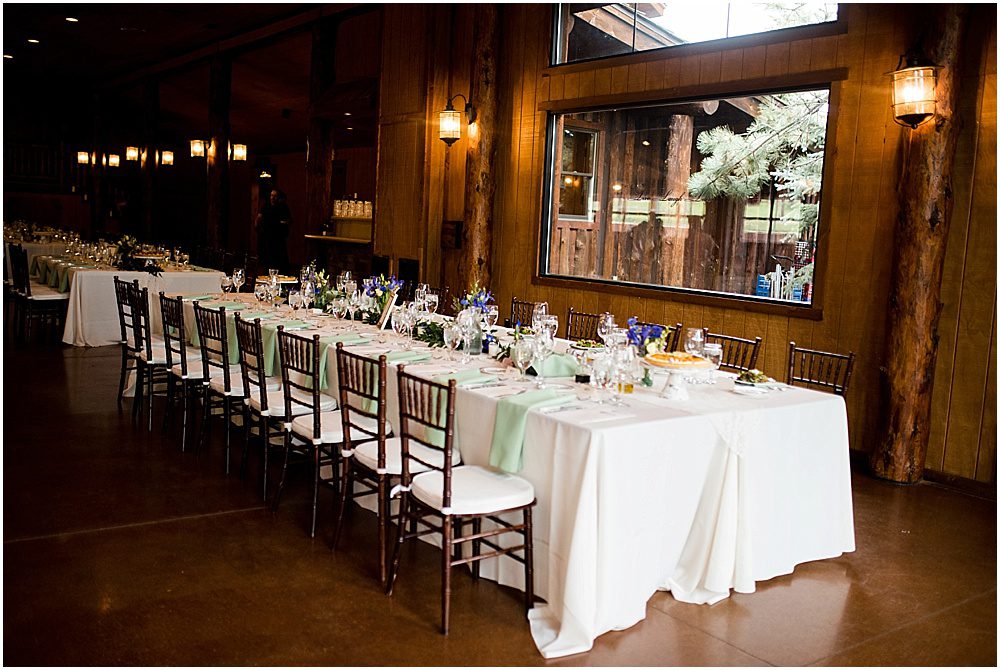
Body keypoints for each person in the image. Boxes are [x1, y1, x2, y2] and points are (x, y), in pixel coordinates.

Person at [255, 189, 291, 272]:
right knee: (266, 257)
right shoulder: (266, 205)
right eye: (271, 195)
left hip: (278, 236)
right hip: (267, 235)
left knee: (279, 257)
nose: (272, 197)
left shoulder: (283, 206)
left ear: (278, 197)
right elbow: (259, 217)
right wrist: (257, 225)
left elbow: (289, 220)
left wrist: (282, 222)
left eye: (275, 196)